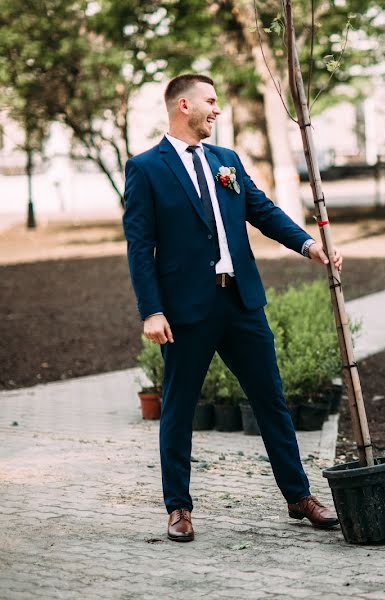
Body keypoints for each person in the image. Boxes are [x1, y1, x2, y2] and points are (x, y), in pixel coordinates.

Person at [123, 73, 341, 542]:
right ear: (183, 105)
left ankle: (299, 496)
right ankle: (178, 508)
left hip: (241, 302)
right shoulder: (145, 168)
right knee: (179, 409)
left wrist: (307, 244)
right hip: (185, 311)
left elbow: (260, 210)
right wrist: (151, 311)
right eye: (210, 101)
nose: (217, 109)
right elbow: (140, 247)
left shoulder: (227, 161)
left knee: (272, 401)